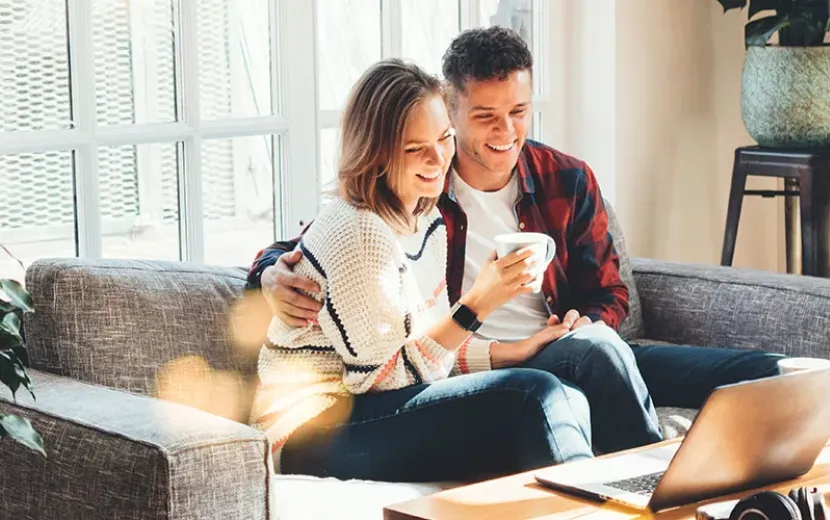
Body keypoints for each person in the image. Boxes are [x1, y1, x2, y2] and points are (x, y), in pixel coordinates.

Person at [249, 28, 783, 456]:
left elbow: (610, 294)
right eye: (484, 117)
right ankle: (651, 484)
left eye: (519, 112)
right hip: (399, 389)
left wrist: (577, 326)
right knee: (568, 376)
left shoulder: (553, 182)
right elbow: (324, 250)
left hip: (549, 347)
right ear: (452, 112)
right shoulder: (416, 196)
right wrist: (271, 271)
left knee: (754, 370)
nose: (505, 131)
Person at [250, 58, 595, 483]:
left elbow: (421, 347)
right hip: (311, 429)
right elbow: (386, 379)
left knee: (568, 400)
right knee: (532, 397)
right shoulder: (359, 231)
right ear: (375, 153)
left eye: (444, 138)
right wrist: (477, 305)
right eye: (416, 148)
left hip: (368, 409)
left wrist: (507, 352)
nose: (438, 158)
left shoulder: (425, 219)